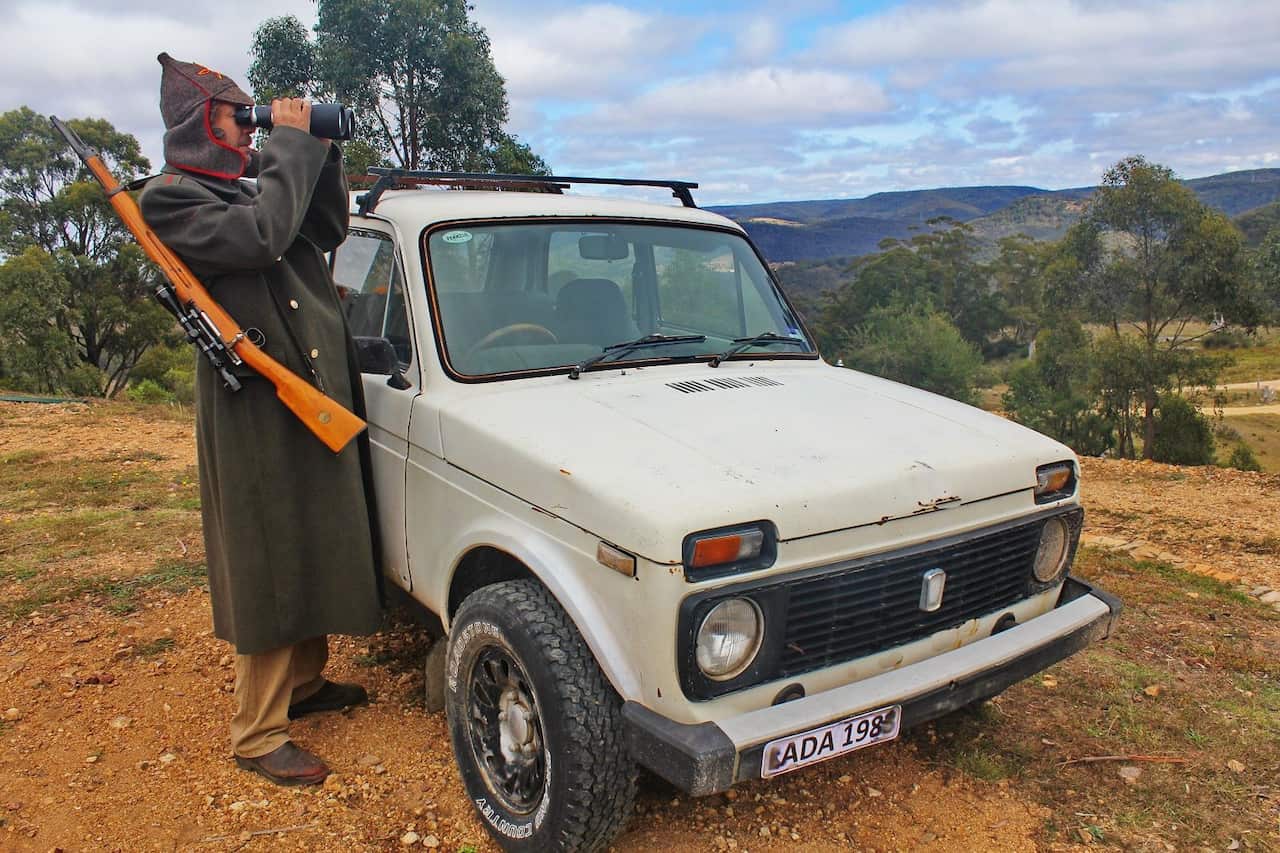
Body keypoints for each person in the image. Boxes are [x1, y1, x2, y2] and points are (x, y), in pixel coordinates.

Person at [139, 53, 383, 787]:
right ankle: (257, 732)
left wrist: (321, 152)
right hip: (254, 402)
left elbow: (324, 228)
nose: (249, 127)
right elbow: (262, 240)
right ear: (199, 124)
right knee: (271, 553)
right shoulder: (170, 200)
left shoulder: (248, 188)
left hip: (304, 388)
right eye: (235, 116)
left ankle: (303, 685)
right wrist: (288, 143)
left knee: (313, 532)